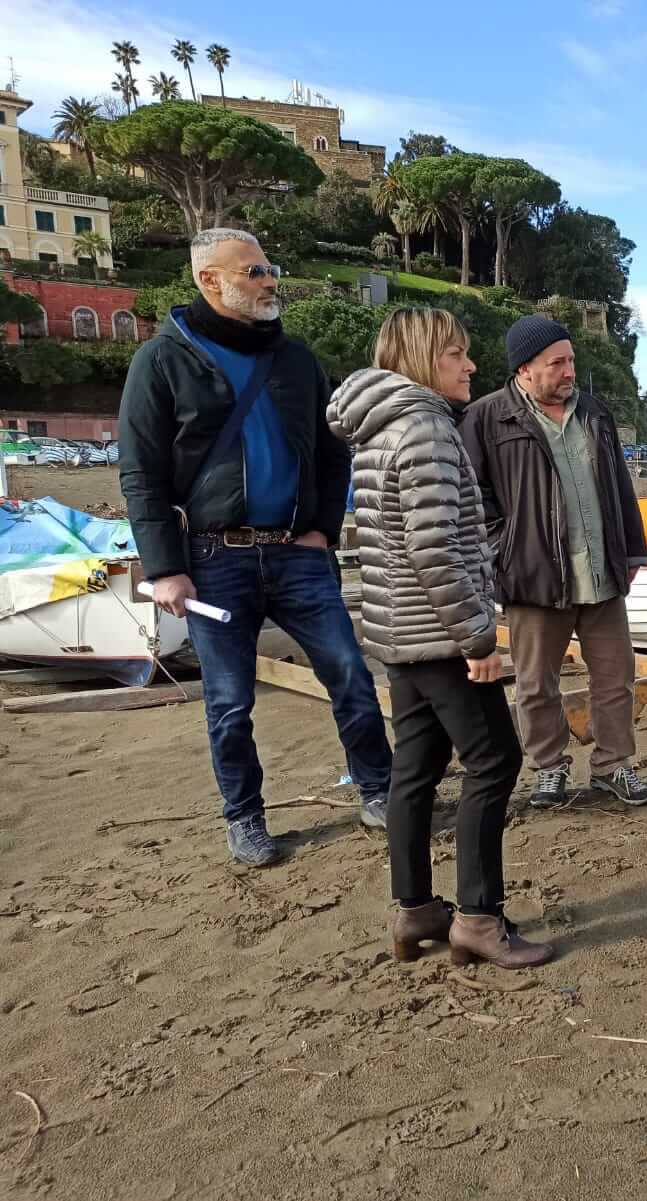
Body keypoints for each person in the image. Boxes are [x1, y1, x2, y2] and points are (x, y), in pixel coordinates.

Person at [118, 228, 391, 868]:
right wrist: (165, 569)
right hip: (215, 557)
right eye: (253, 272)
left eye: (271, 267)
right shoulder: (161, 361)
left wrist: (324, 525)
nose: (270, 280)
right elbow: (141, 473)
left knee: (351, 674)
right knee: (230, 701)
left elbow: (331, 453)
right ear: (209, 280)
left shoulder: (296, 359)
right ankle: (245, 818)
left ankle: (379, 790)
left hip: (299, 552)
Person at [327, 309, 552, 970]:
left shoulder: (378, 428)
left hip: (399, 632)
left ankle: (416, 910)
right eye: (458, 353)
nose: (470, 365)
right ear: (427, 358)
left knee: (415, 770)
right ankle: (478, 917)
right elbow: (433, 549)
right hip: (438, 635)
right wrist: (478, 638)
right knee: (494, 760)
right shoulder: (424, 427)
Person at [460, 315, 647, 809]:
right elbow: (471, 497)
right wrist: (505, 547)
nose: (570, 372)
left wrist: (631, 549)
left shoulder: (594, 412)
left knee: (615, 676)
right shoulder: (487, 418)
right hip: (532, 576)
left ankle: (613, 765)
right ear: (525, 370)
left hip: (601, 572)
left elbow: (619, 487)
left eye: (571, 360)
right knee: (535, 682)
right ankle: (550, 768)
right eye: (557, 363)